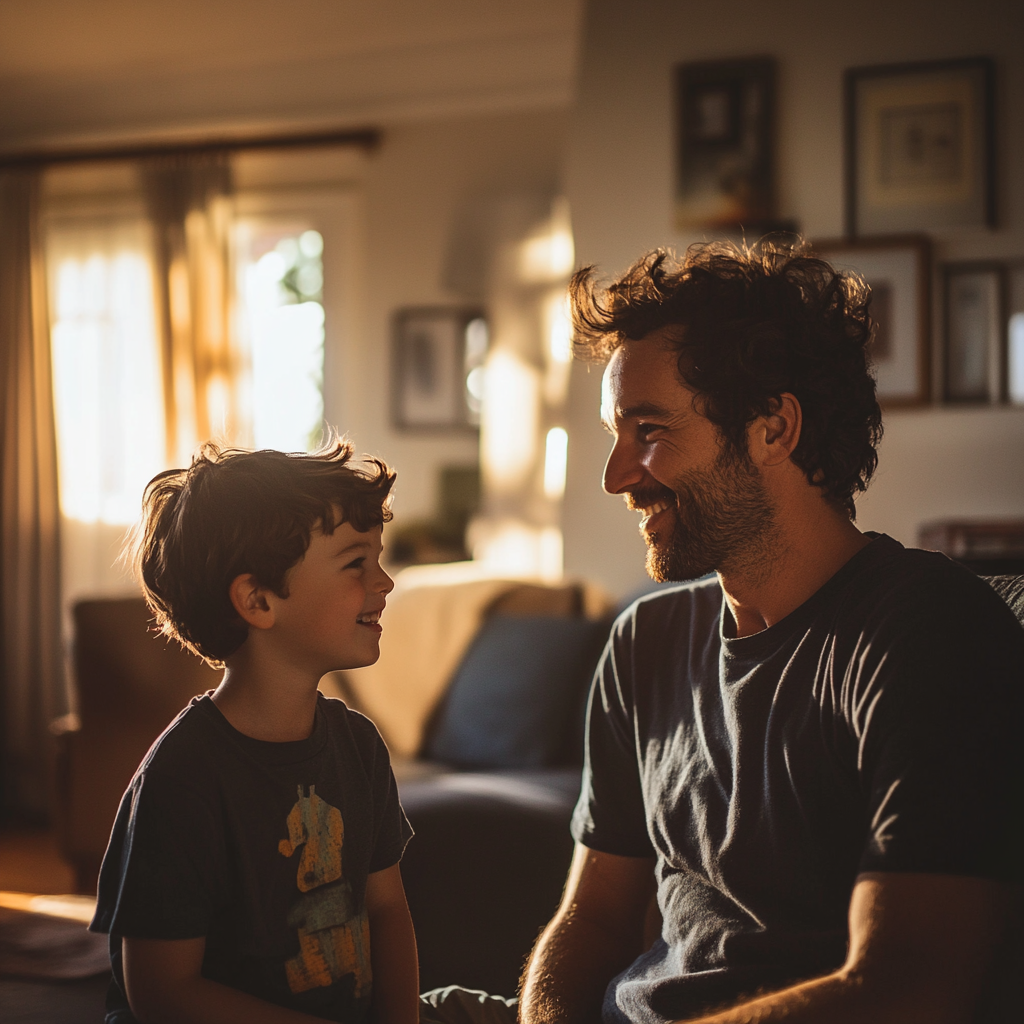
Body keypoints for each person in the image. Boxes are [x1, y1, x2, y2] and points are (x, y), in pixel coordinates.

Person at [518, 239, 1024, 1024]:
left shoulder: (929, 635)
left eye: (647, 430)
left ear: (773, 428)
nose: (616, 476)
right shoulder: (643, 643)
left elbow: (911, 987)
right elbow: (594, 920)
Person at [91, 439, 419, 1024]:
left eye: (379, 558)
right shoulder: (182, 780)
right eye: (355, 563)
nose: (385, 582)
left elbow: (387, 909)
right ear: (257, 600)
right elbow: (163, 994)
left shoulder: (359, 746)